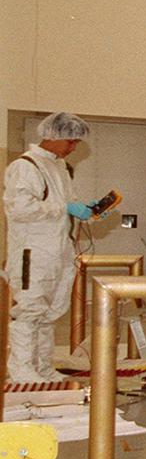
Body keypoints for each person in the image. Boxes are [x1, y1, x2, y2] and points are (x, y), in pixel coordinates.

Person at [4, 112, 93, 383]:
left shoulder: (59, 167)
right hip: (34, 251)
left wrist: (82, 210)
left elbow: (65, 202)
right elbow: (20, 208)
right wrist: (64, 208)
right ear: (52, 137)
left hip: (59, 250)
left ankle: (41, 367)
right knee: (30, 310)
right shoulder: (26, 166)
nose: (73, 147)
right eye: (71, 141)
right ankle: (20, 370)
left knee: (49, 312)